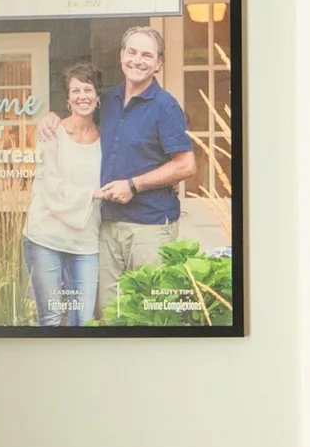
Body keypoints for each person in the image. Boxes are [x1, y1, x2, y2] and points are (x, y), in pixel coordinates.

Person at [96, 21, 198, 317]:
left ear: (158, 64)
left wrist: (133, 185)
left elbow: (185, 164)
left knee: (150, 313)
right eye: (132, 52)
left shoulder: (165, 106)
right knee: (111, 313)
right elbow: (80, 127)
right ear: (121, 55)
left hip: (150, 226)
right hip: (108, 224)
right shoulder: (108, 100)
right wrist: (52, 119)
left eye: (147, 56)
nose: (137, 61)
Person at [21, 63, 105, 328]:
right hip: (46, 237)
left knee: (84, 319)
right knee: (52, 318)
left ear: (98, 96)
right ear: (67, 99)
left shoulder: (106, 138)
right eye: (76, 90)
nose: (83, 96)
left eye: (88, 89)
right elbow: (51, 188)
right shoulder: (51, 133)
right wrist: (92, 194)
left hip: (86, 242)